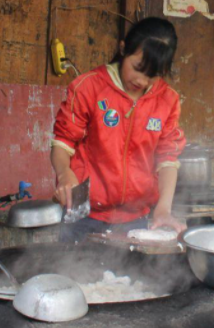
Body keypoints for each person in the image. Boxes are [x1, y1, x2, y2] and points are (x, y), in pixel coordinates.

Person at [50, 17, 186, 243]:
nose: (142, 81)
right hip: (84, 216)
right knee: (77, 275)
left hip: (137, 217)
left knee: (127, 278)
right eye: (137, 68)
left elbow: (167, 158)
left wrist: (163, 209)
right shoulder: (90, 87)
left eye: (152, 75)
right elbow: (62, 143)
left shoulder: (167, 99)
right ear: (123, 49)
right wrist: (64, 173)